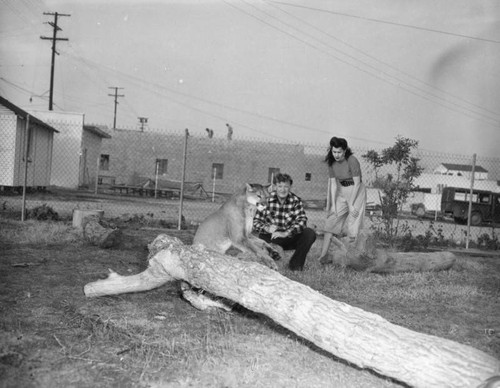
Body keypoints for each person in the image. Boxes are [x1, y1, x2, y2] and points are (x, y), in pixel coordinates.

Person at [253, 173, 317, 271]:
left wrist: (286, 233)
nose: (283, 190)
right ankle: (269, 262)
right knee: (263, 237)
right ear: (275, 187)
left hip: (289, 236)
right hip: (272, 237)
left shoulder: (295, 200)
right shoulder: (267, 199)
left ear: (290, 187)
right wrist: (267, 228)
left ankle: (295, 266)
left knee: (309, 233)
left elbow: (302, 220)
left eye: (286, 186)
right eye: (280, 186)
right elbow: (256, 221)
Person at [318, 137, 367, 264]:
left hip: (356, 192)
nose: (336, 155)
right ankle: (323, 256)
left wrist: (351, 205)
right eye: (334, 152)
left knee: (353, 222)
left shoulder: (352, 160)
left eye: (339, 152)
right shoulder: (331, 163)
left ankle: (353, 258)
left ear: (345, 151)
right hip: (342, 191)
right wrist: (333, 205)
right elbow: (333, 185)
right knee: (331, 220)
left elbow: (357, 184)